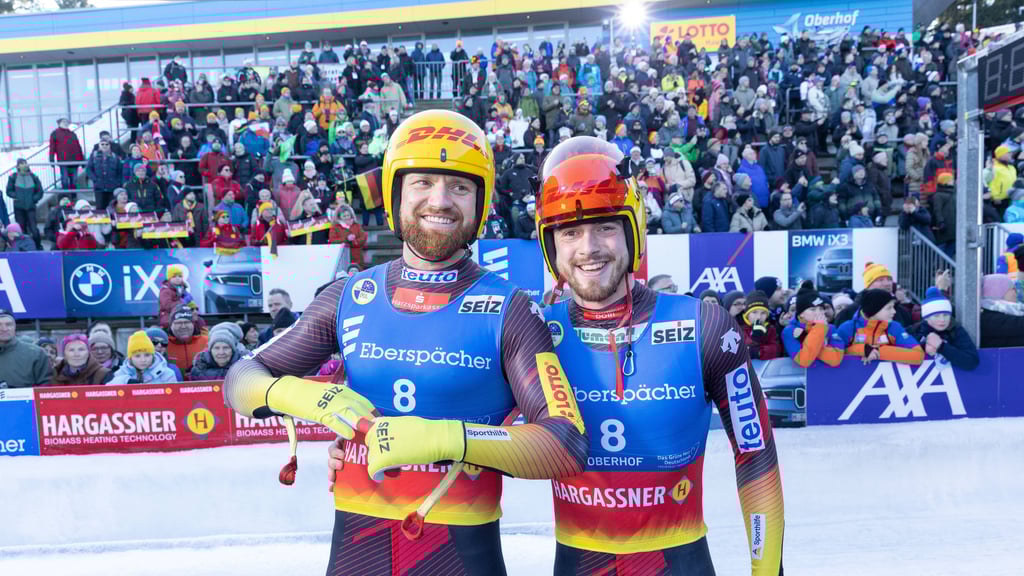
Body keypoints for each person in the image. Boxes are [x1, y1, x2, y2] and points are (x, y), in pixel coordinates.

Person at [231, 110, 587, 575]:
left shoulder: (510, 309)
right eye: (422, 183)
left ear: (480, 203)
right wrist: (302, 395)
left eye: (459, 187)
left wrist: (445, 437)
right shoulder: (349, 295)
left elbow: (566, 445)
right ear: (396, 195)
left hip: (461, 556)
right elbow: (239, 379)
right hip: (357, 554)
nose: (439, 201)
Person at [529, 136, 783, 574]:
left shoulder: (706, 325)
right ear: (550, 245)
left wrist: (768, 571)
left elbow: (755, 455)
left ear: (633, 228)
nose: (588, 248)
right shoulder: (534, 333)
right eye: (569, 232)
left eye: (606, 226)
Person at [833, 289, 924, 365]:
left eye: (893, 307)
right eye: (889, 308)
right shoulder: (849, 328)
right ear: (874, 309)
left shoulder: (894, 327)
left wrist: (878, 351)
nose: (894, 312)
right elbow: (835, 354)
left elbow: (918, 355)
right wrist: (863, 349)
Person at [910, 288, 979, 370]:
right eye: (936, 316)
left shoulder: (955, 330)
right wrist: (922, 346)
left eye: (945, 315)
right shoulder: (915, 330)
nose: (942, 320)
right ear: (926, 318)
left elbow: (972, 361)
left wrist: (942, 346)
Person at [781, 282, 845, 367]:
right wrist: (819, 329)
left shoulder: (831, 328)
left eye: (821, 309)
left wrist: (804, 338)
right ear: (801, 314)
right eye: (812, 309)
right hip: (802, 378)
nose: (819, 313)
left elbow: (835, 359)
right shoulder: (789, 331)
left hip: (827, 378)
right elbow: (804, 360)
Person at [833, 262, 914, 327]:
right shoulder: (848, 313)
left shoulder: (901, 312)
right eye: (880, 280)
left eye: (889, 279)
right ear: (868, 285)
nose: (887, 283)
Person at [0, 308, 53, 388]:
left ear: (15, 327)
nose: (4, 329)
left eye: (9, 324)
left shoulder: (36, 353)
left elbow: (46, 387)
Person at [109, 331, 177, 384]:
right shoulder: (122, 373)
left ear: (153, 355)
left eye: (147, 355)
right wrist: (125, 381)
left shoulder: (167, 374)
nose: (143, 360)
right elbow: (109, 391)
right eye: (137, 356)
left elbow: (174, 397)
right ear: (130, 358)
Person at [6, 159, 44, 247]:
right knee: (21, 230)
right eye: (21, 164)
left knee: (34, 229)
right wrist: (17, 196)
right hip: (19, 207)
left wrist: (33, 199)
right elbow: (9, 191)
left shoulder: (33, 177)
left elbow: (40, 191)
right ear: (18, 166)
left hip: (31, 207)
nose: (24, 165)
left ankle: (38, 246)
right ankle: (23, 248)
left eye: (25, 163)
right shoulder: (13, 177)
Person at [979, 274, 1024, 348]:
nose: (1016, 292)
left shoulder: (1008, 311)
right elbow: (1017, 324)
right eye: (1012, 289)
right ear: (998, 291)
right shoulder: (989, 318)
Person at [166, 305, 209, 377]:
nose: (183, 326)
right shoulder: (162, 345)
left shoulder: (207, 342)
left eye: (187, 322)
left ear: (193, 324)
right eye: (178, 323)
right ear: (171, 325)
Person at [740, 290, 783, 359]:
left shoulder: (770, 329)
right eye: (754, 312)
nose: (759, 317)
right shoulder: (740, 329)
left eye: (763, 313)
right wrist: (756, 338)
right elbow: (742, 352)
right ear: (747, 314)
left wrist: (759, 352)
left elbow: (776, 350)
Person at [49, 118, 84, 190]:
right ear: (59, 123)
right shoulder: (55, 134)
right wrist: (51, 159)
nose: (65, 123)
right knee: (65, 180)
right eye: (63, 121)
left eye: (67, 121)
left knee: (74, 180)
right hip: (63, 162)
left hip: (74, 162)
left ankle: (73, 196)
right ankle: (66, 196)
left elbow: (78, 147)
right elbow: (52, 147)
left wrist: (82, 160)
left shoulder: (72, 134)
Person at [158, 264, 196, 328]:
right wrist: (182, 302)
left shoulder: (182, 288)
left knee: (199, 321)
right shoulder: (165, 290)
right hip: (168, 316)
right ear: (169, 278)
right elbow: (167, 305)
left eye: (180, 276)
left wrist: (194, 308)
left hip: (182, 314)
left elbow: (190, 302)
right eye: (174, 276)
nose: (178, 278)